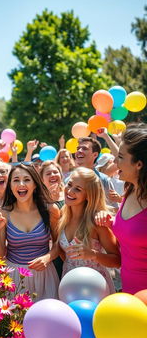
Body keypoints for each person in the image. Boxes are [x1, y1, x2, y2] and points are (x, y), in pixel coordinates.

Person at [0, 163, 60, 301]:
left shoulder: (50, 210)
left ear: (35, 184)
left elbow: (59, 243)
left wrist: (48, 257)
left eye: (27, 179)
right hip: (14, 278)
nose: (21, 184)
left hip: (45, 276)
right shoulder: (4, 213)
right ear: (10, 185)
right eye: (16, 180)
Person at [95, 123, 147, 294]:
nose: (115, 162)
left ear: (138, 164)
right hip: (128, 293)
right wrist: (111, 222)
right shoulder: (130, 189)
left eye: (120, 157)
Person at [58, 167, 120, 293]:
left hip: (95, 288)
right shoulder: (62, 215)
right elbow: (63, 253)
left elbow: (117, 261)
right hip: (68, 284)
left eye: (78, 189)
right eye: (69, 184)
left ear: (89, 195)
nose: (70, 191)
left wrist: (93, 255)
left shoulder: (97, 222)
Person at [74, 137, 119, 209]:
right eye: (78, 148)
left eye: (84, 148)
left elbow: (115, 209)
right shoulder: (69, 179)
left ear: (95, 155)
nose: (79, 151)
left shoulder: (104, 180)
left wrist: (100, 211)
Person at [39, 160, 65, 279]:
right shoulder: (38, 200)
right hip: (51, 249)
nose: (53, 175)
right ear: (42, 179)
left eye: (56, 172)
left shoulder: (70, 194)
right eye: (48, 173)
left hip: (70, 244)